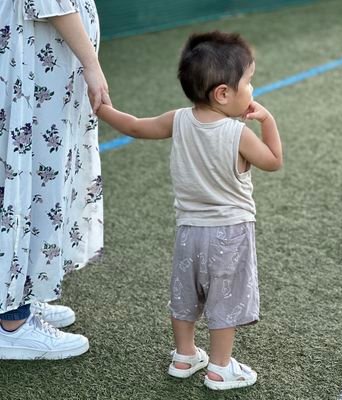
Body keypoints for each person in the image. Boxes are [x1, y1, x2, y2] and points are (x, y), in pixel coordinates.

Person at [95, 31, 282, 390]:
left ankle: (184, 356)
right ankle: (220, 367)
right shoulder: (237, 133)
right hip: (230, 232)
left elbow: (134, 126)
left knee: (185, 295)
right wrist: (268, 122)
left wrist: (103, 108)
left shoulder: (178, 119)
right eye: (249, 82)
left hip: (188, 231)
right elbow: (273, 161)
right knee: (223, 299)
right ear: (223, 93)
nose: (253, 90)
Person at [0, 0, 110, 359]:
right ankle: (11, 321)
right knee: (27, 179)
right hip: (31, 63)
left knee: (32, 179)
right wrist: (91, 64)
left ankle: (18, 295)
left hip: (37, 61)